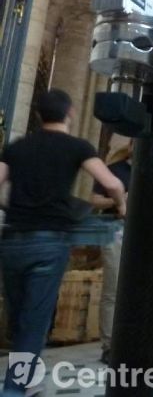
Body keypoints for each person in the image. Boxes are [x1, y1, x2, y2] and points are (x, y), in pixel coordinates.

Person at [0, 89, 126, 396]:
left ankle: (28, 381)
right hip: (49, 242)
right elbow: (112, 183)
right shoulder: (77, 147)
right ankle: (14, 389)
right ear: (70, 112)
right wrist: (121, 205)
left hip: (13, 239)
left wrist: (11, 207)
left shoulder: (18, 147)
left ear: (40, 114)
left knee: (18, 317)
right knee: (35, 318)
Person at [90, 139, 132, 365]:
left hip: (144, 232)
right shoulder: (114, 170)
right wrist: (117, 200)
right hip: (115, 230)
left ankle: (132, 339)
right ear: (133, 146)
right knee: (113, 287)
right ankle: (109, 345)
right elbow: (94, 199)